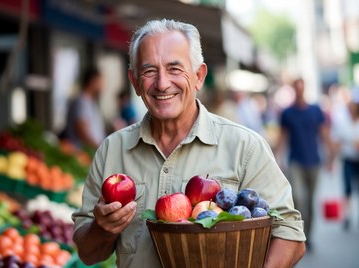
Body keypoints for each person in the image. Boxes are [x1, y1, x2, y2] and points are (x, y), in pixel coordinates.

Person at [72, 19, 306, 268]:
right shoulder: (112, 151)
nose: (162, 83)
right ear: (134, 81)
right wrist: (102, 228)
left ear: (198, 76)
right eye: (150, 71)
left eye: (175, 69)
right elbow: (88, 254)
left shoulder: (245, 148)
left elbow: (290, 235)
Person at [275, 78, 333, 250]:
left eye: (302, 88)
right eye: (297, 88)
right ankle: (299, 235)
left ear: (304, 89)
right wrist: (277, 158)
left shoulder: (315, 110)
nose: (300, 91)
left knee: (310, 202)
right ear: (294, 90)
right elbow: (283, 136)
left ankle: (309, 236)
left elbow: (324, 134)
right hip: (296, 162)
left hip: (314, 161)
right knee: (299, 198)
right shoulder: (287, 113)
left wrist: (331, 157)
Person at [330, 87, 359, 230]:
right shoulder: (343, 121)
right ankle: (347, 216)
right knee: (347, 188)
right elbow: (336, 141)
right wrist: (332, 160)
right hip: (348, 159)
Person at [62, 66, 106, 150]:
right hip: (84, 155)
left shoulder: (90, 101)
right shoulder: (81, 102)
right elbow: (82, 131)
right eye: (100, 82)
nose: (103, 86)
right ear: (92, 82)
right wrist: (100, 149)